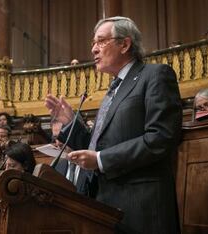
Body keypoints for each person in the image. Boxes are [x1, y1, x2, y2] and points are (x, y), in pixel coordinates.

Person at [45, 16, 182, 233]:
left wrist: (101, 160)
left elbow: (161, 137)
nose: (94, 49)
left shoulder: (155, 75)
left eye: (100, 41)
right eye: (93, 43)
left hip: (140, 206)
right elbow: (98, 145)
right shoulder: (112, 91)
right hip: (104, 206)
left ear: (125, 44)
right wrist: (72, 123)